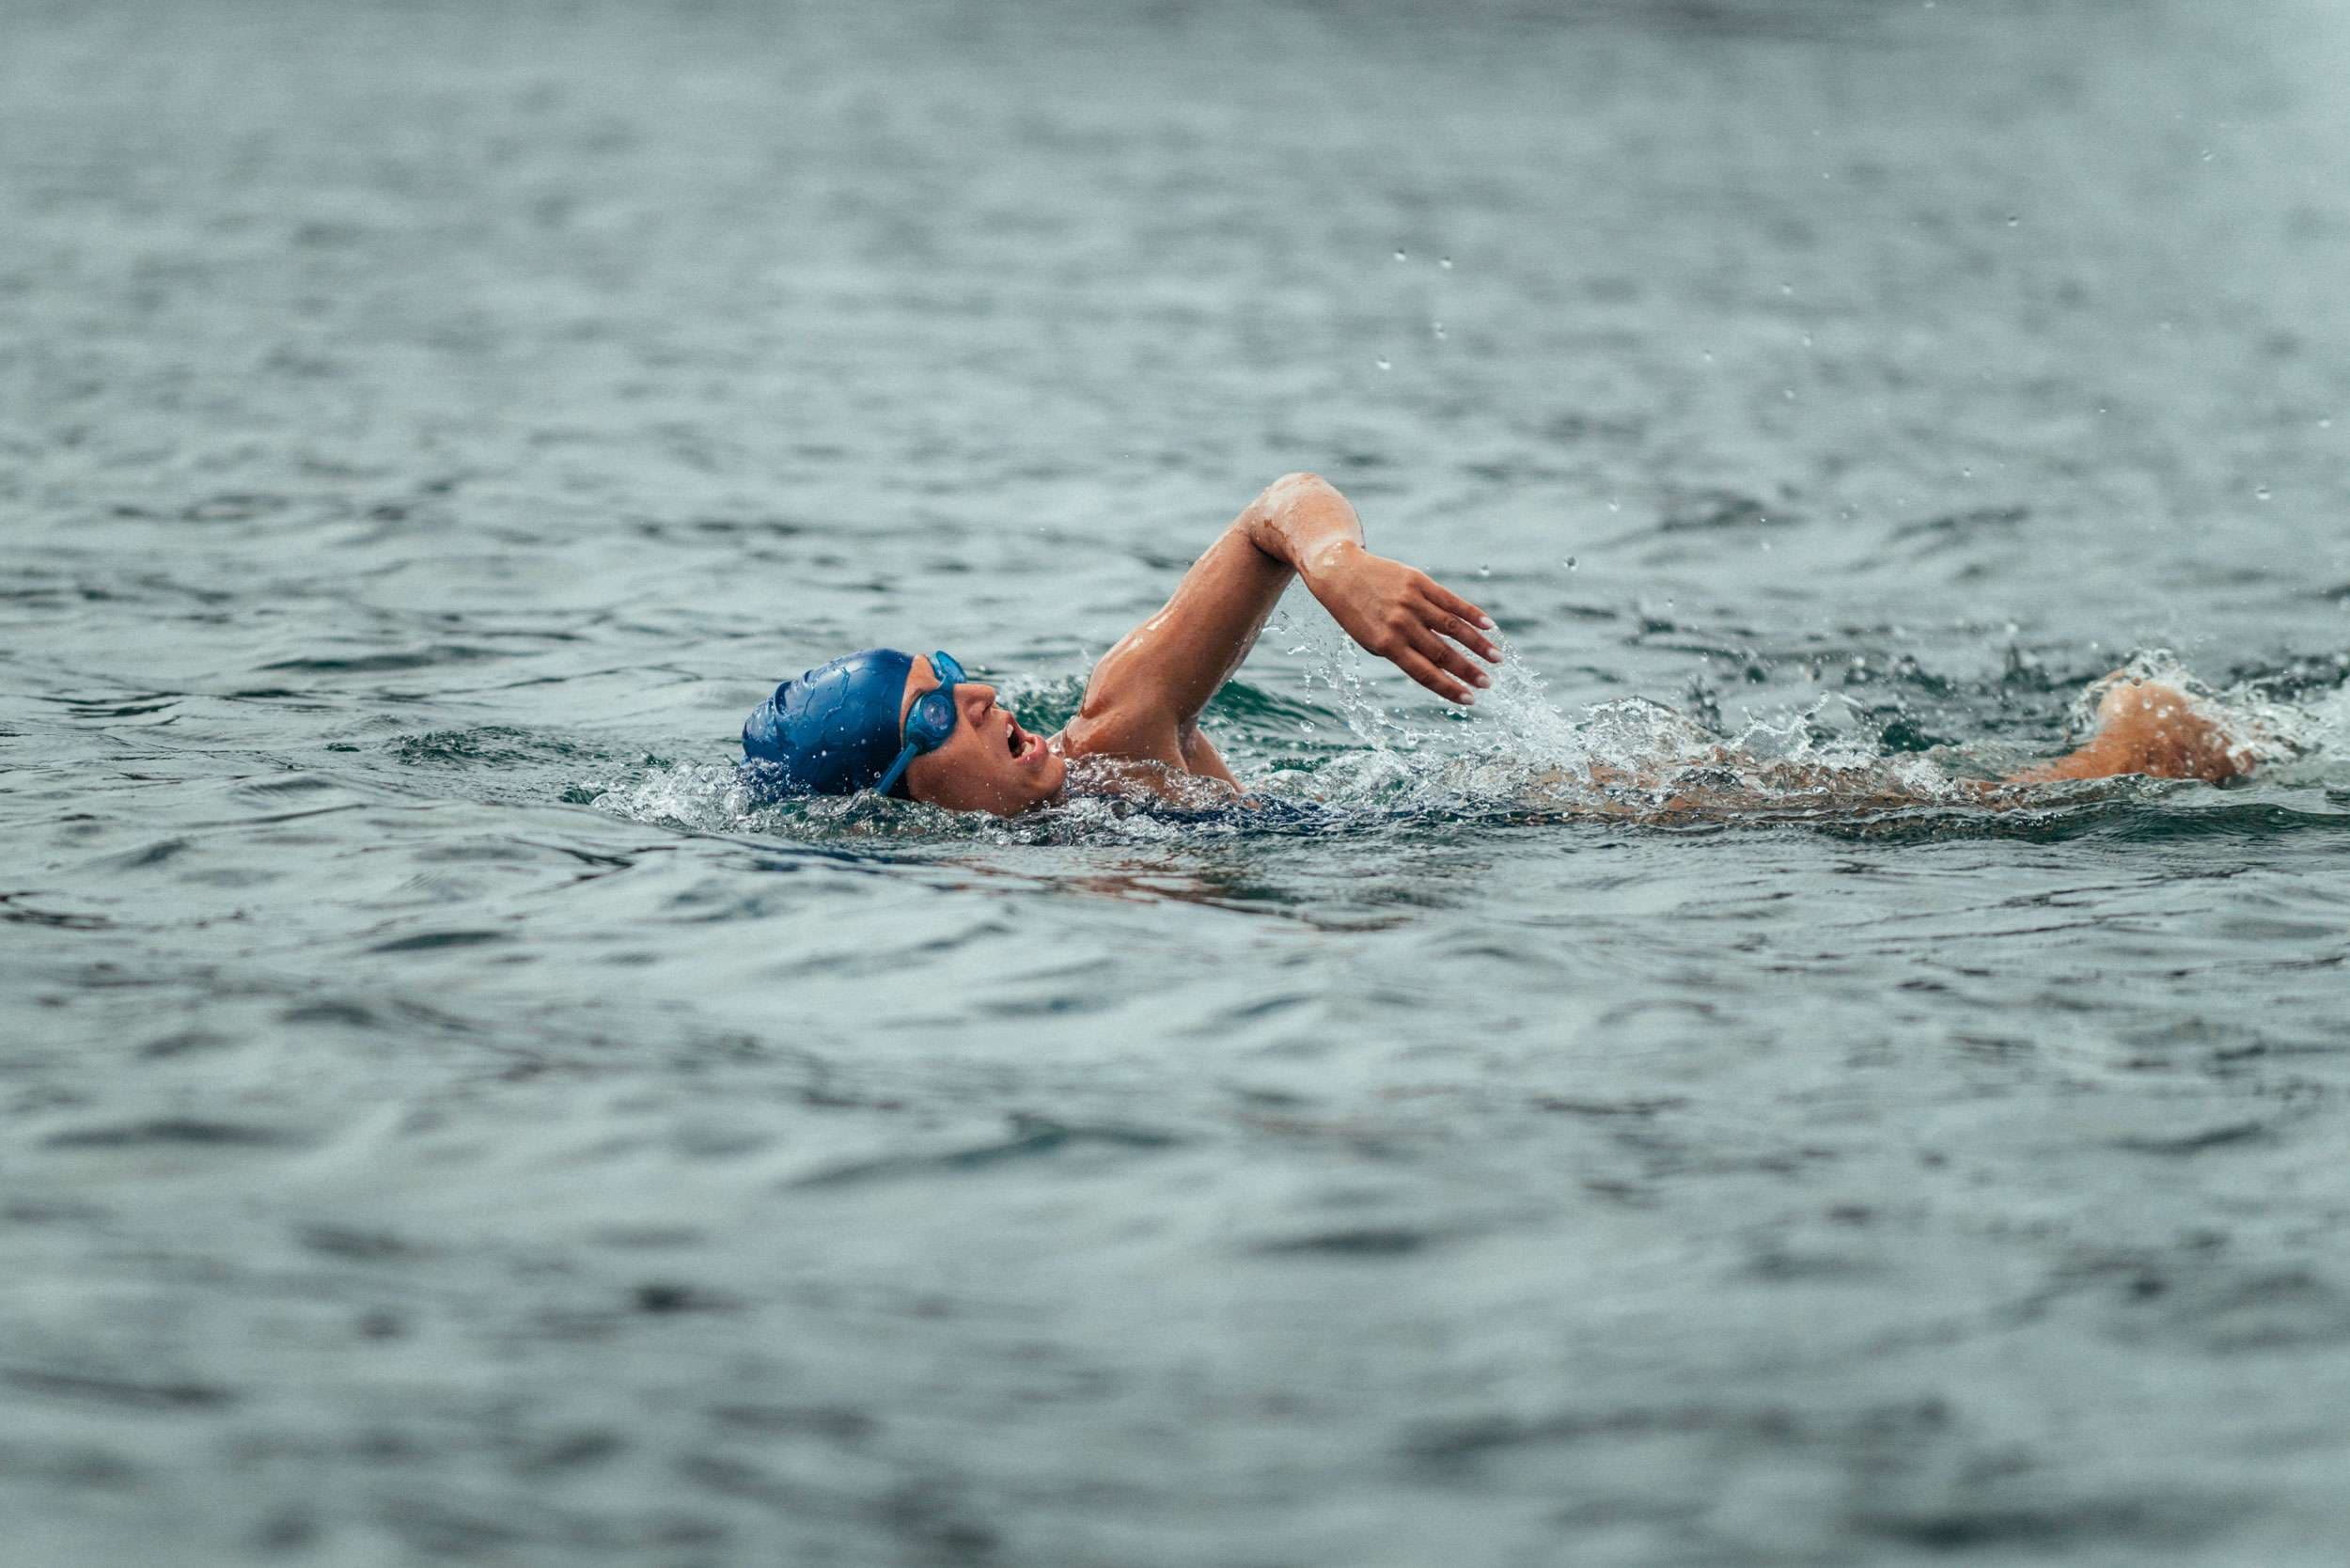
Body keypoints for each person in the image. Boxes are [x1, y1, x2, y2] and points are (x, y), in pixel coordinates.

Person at [740, 473, 2255, 818]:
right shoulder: (1064, 837)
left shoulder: (1117, 727)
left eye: (958, 670)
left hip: (1560, 809)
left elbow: (1276, 508)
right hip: (1505, 823)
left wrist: (1335, 566)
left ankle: (2136, 747)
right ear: (897, 801)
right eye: (938, 709)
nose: (983, 692)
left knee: (1982, 815)